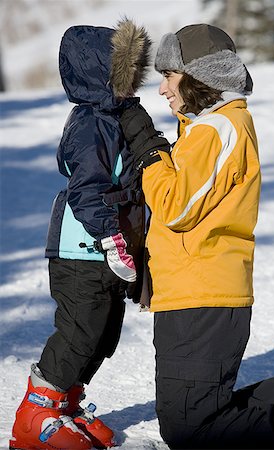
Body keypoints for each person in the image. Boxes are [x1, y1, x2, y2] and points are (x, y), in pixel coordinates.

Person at [118, 24, 274, 449]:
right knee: (201, 415)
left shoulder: (218, 129)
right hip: (195, 292)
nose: (162, 89)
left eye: (169, 74)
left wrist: (149, 151)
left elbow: (176, 207)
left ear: (200, 74)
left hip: (204, 297)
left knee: (190, 430)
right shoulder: (206, 128)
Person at [9, 19, 151, 450]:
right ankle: (35, 414)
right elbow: (88, 189)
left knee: (103, 332)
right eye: (122, 75)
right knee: (79, 330)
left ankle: (66, 404)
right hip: (82, 248)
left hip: (104, 249)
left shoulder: (113, 118)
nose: (130, 85)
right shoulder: (92, 123)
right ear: (101, 76)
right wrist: (112, 237)